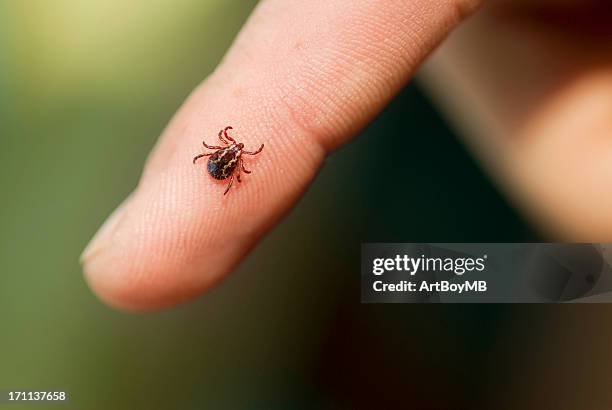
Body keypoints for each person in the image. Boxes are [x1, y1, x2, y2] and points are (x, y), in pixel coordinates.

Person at [81, 0, 612, 310]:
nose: (231, 154)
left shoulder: (227, 156)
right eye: (229, 153)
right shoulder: (233, 156)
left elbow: (224, 160)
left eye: (229, 152)